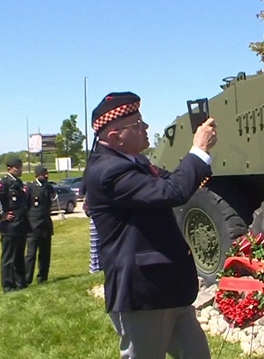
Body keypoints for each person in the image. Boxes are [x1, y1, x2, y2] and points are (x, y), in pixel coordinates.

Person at [84, 91, 217, 359]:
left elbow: (175, 184)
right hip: (143, 292)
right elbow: (171, 193)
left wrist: (199, 161)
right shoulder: (109, 171)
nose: (146, 128)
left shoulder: (135, 162)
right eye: (138, 124)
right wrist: (199, 151)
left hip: (167, 287)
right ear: (113, 135)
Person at [0, 157, 31, 293]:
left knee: (19, 256)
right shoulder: (3, 183)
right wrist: (0, 217)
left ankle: (20, 282)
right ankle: (8, 286)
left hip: (21, 226)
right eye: (18, 167)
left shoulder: (18, 182)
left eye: (20, 166)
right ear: (10, 168)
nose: (20, 169)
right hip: (9, 227)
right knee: (8, 259)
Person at [24, 164, 55, 285]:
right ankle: (27, 279)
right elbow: (26, 206)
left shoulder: (48, 187)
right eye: (43, 174)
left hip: (45, 225)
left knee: (45, 254)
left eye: (47, 173)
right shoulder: (30, 188)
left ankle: (42, 278)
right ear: (37, 175)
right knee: (31, 254)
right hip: (33, 226)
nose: (46, 176)